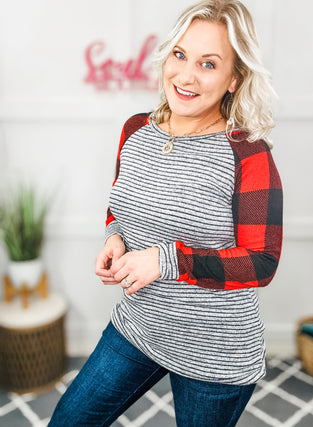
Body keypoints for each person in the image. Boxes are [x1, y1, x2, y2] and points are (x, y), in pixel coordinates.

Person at [49, 0, 283, 426]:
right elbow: (123, 203)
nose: (186, 75)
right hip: (140, 325)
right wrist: (116, 235)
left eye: (208, 64)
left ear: (234, 78)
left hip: (216, 354)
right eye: (180, 54)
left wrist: (166, 259)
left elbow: (262, 261)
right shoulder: (136, 130)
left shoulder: (247, 153)